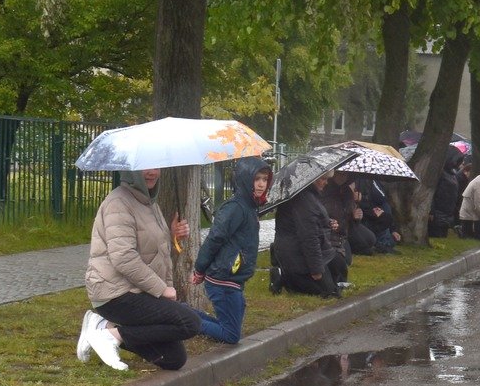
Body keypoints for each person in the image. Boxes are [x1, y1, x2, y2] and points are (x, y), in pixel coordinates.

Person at [77, 167, 203, 371]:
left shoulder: (149, 203)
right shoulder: (118, 203)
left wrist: (173, 237)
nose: (152, 172)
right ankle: (109, 335)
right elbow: (123, 257)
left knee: (173, 359)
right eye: (145, 168)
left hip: (137, 290)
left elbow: (154, 253)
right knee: (189, 322)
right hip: (114, 294)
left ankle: (104, 327)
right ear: (131, 170)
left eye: (156, 166)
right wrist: (162, 289)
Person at [191, 156, 271, 345]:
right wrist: (200, 269)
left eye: (265, 179)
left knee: (228, 325)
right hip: (223, 279)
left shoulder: (249, 207)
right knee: (231, 335)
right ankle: (186, 320)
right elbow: (214, 239)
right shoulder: (235, 207)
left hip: (232, 278)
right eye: (257, 179)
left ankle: (186, 314)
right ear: (245, 179)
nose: (261, 184)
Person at [272, 173, 344, 297]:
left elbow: (314, 219)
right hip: (296, 254)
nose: (326, 182)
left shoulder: (308, 195)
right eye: (323, 178)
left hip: (302, 250)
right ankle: (283, 277)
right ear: (313, 178)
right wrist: (316, 270)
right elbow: (309, 237)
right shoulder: (304, 199)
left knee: (338, 266)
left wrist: (328, 222)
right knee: (328, 292)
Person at [428, 161, 462, 239]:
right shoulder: (441, 174)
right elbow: (432, 193)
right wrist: (431, 211)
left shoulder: (452, 174)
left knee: (443, 233)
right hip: (439, 210)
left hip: (447, 210)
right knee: (437, 233)